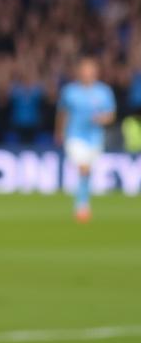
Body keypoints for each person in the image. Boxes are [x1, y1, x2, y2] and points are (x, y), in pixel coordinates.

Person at [55, 56, 116, 222]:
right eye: (84, 69)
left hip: (95, 137)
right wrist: (59, 131)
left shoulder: (104, 92)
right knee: (83, 167)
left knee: (87, 170)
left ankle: (83, 199)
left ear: (95, 72)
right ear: (79, 72)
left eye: (90, 70)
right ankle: (82, 205)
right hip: (74, 135)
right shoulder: (70, 91)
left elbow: (111, 115)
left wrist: (102, 119)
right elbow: (63, 113)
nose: (87, 73)